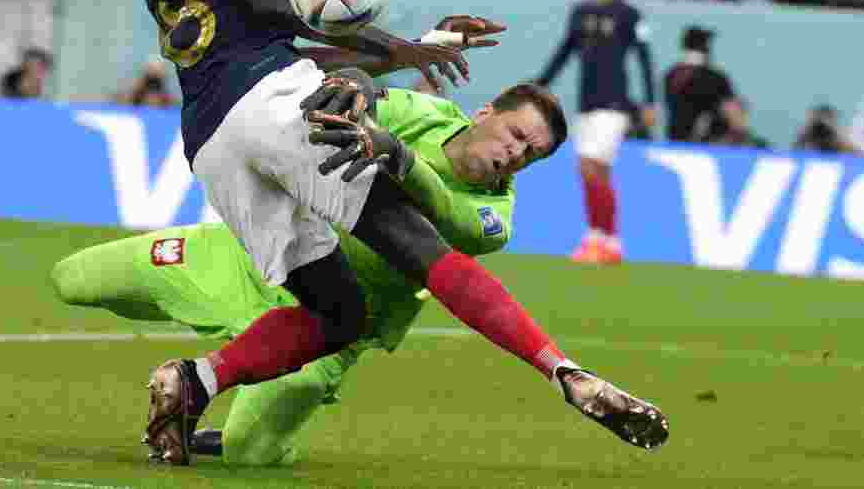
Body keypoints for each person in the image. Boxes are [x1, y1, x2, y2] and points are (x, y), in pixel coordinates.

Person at [105, 0, 668, 465]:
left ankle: (194, 383)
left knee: (339, 315)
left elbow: (278, 48)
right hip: (270, 102)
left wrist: (411, 49)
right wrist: (391, 43)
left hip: (211, 141)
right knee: (417, 244)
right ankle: (563, 372)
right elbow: (272, 2)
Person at [52, 82, 560, 466]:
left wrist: (401, 158)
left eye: (531, 155)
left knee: (248, 454)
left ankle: (205, 413)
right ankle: (198, 351)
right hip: (253, 256)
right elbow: (356, 94)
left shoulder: (495, 218)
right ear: (485, 112)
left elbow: (448, 211)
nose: (516, 155)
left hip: (329, 330)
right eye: (517, 135)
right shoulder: (425, 114)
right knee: (72, 278)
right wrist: (360, 84)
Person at [535, 0, 656, 266]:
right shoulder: (580, 13)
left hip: (615, 103)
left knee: (589, 165)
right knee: (596, 171)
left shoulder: (629, 15)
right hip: (587, 103)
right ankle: (608, 242)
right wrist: (540, 84)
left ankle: (598, 237)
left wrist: (650, 101)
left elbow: (645, 59)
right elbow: (564, 52)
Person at [663, 27, 738, 143]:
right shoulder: (716, 78)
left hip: (674, 141)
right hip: (705, 144)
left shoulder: (670, 75)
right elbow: (732, 112)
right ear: (706, 48)